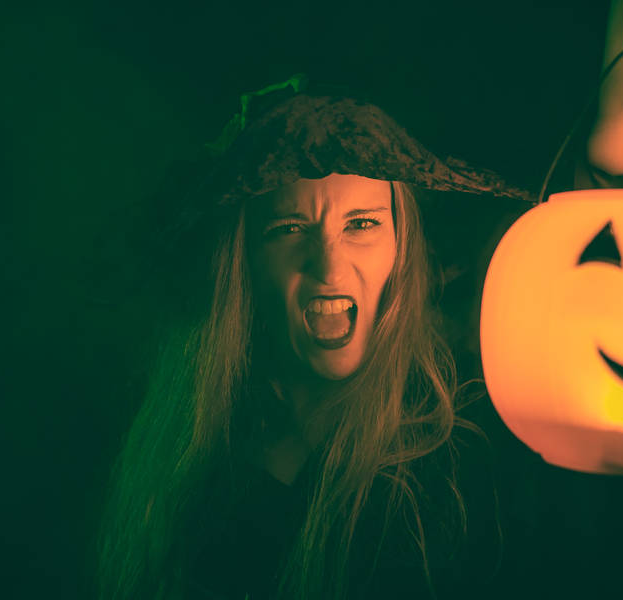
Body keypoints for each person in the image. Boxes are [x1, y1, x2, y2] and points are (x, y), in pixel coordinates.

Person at [96, 87, 532, 600]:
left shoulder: (455, 464)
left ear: (402, 246)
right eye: (290, 228)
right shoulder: (193, 453)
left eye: (362, 224)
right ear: (243, 260)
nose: (329, 268)